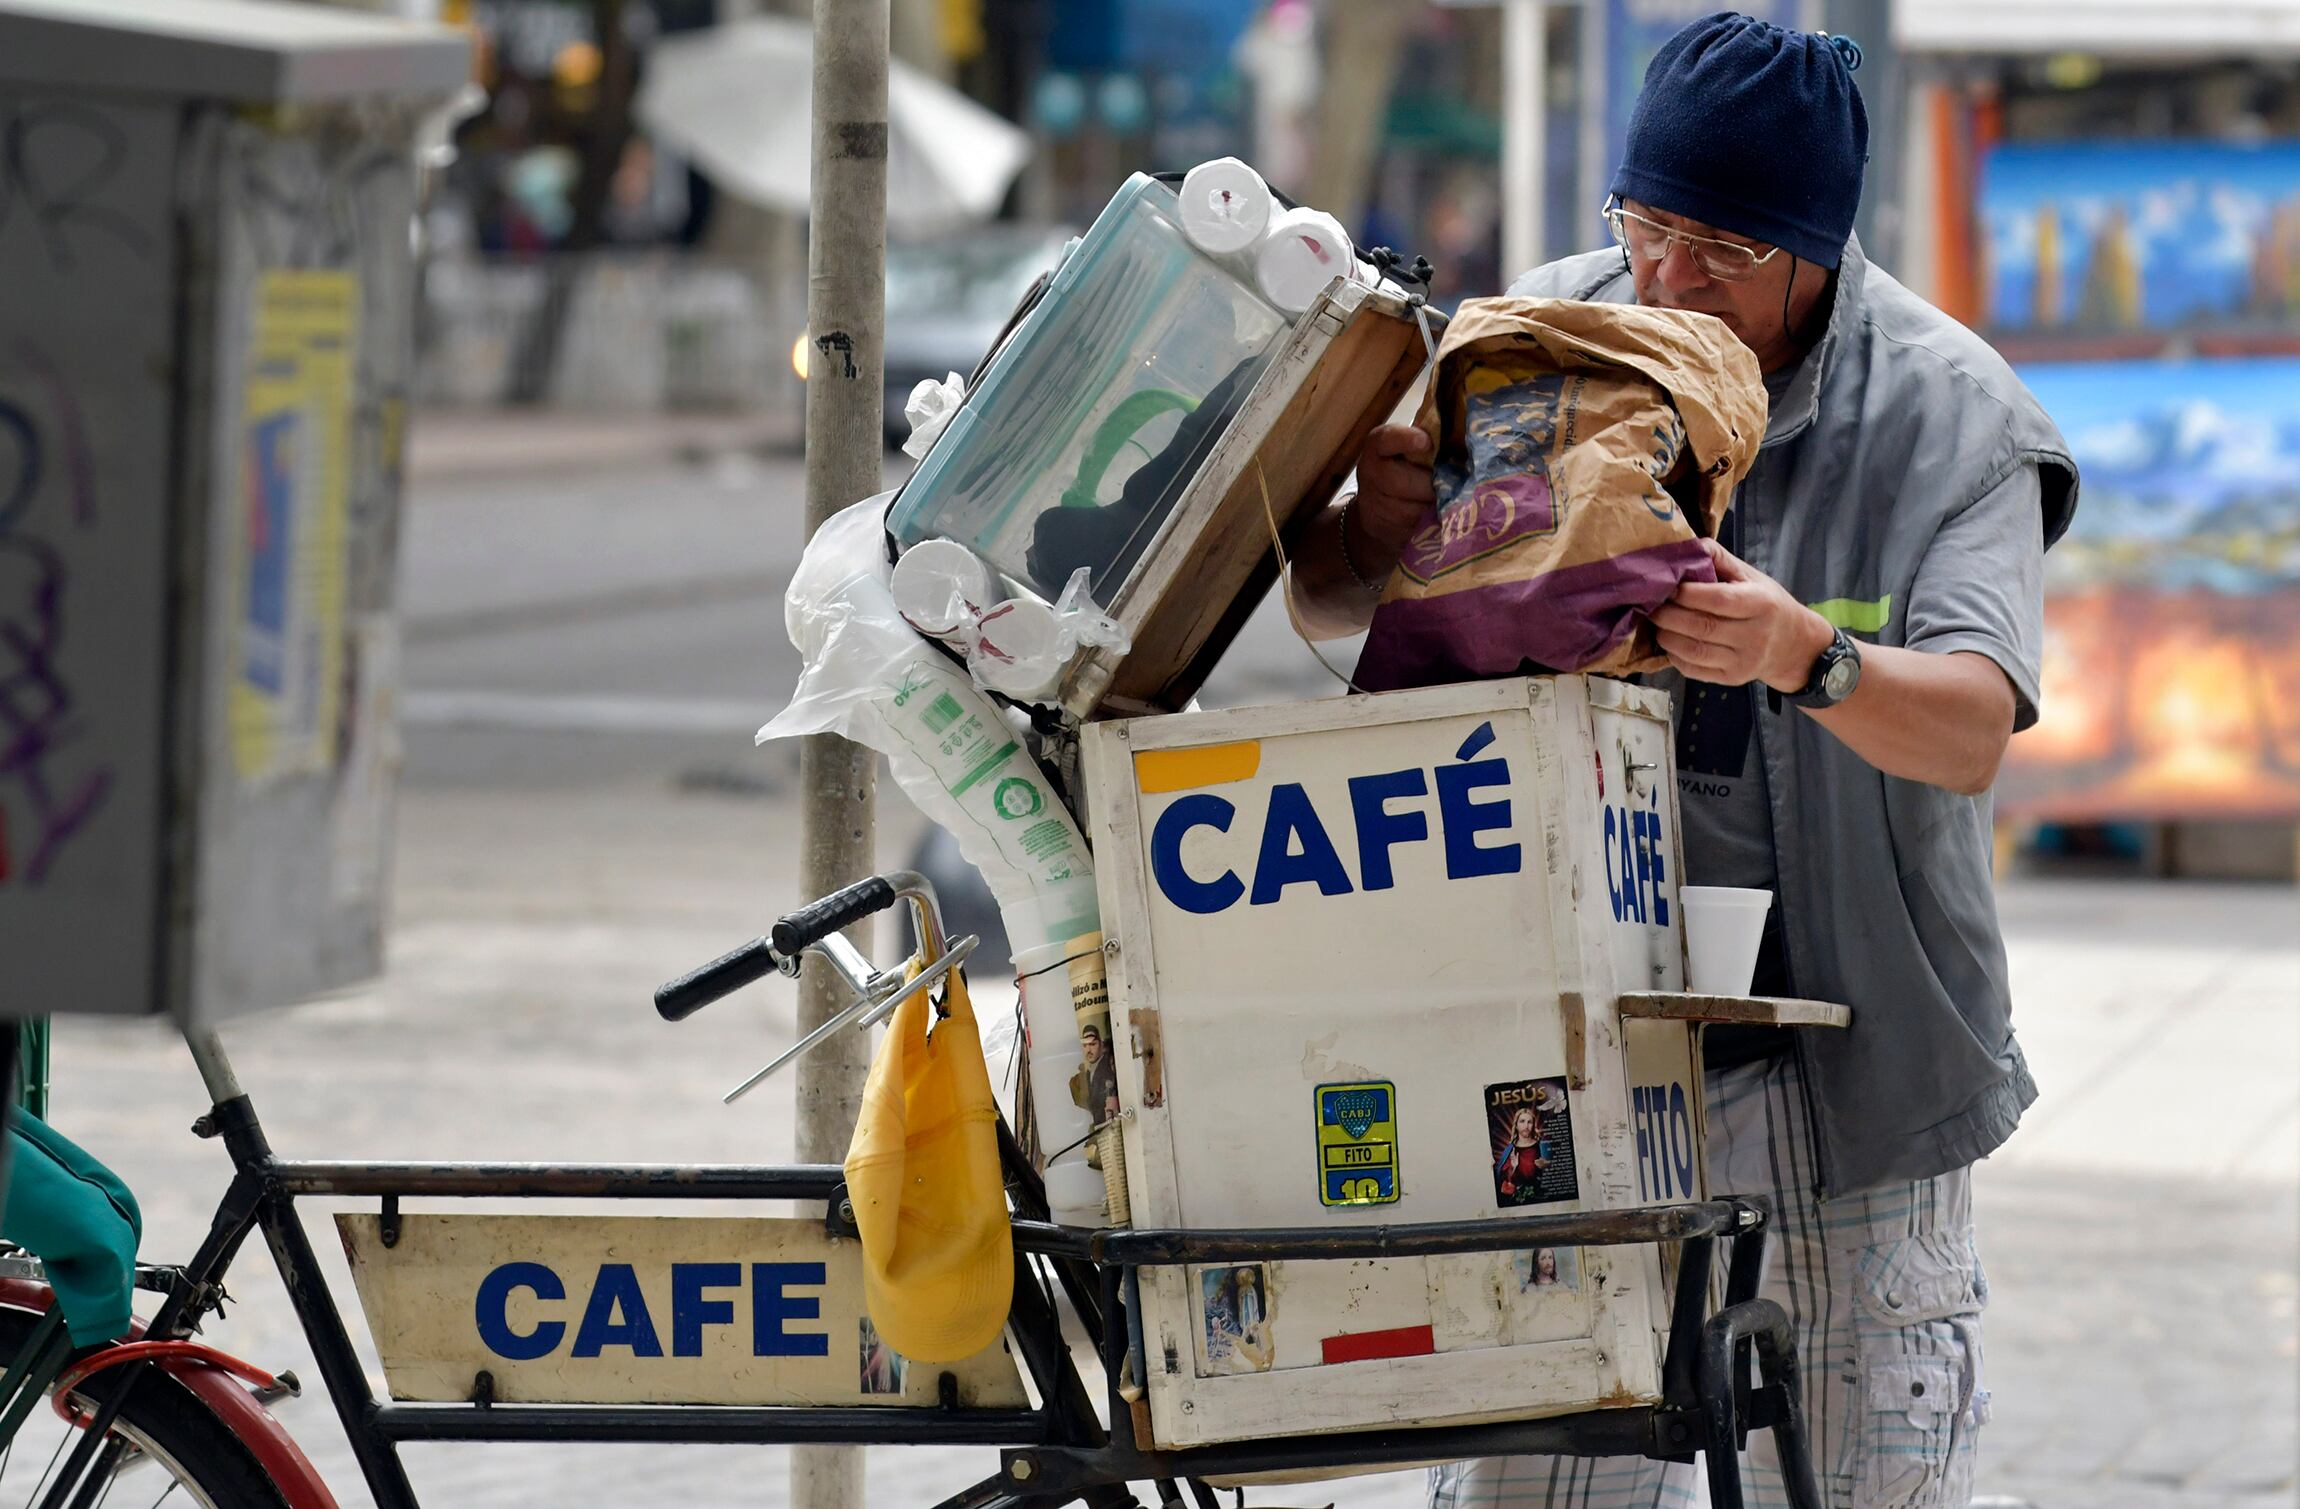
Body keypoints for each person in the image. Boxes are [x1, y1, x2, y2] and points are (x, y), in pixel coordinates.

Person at [1294, 13, 2076, 1508]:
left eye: (1721, 251)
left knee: (1857, 1476)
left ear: (1818, 252)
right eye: (1646, 226)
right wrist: (1372, 533)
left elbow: (1976, 724)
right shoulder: (1537, 347)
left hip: (1846, 1074)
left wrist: (1811, 656)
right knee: (1537, 1476)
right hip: (1577, 1045)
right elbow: (1340, 610)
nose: (1666, 280)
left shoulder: (1956, 420)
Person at [1493, 1104, 1548, 1201]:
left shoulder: (1542, 1146)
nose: (1526, 1126)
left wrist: (1547, 1165)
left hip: (1541, 1195)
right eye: (1522, 1121)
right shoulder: (1510, 1150)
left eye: (1529, 1122)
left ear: (1533, 1125)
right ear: (1516, 1125)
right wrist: (1513, 1167)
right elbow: (1502, 1179)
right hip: (1520, 1198)